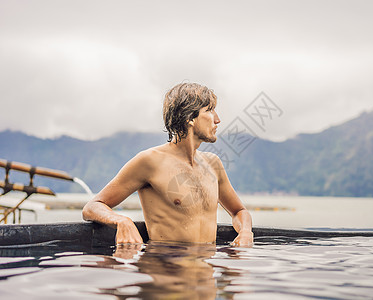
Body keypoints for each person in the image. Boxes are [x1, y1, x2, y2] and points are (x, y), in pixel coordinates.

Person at [82, 83, 253, 247]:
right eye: (209, 111)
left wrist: (245, 231)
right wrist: (121, 221)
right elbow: (93, 206)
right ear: (189, 118)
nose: (218, 119)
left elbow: (239, 211)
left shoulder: (213, 164)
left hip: (206, 271)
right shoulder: (150, 161)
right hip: (166, 269)